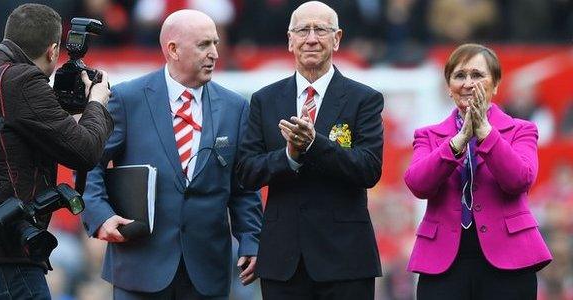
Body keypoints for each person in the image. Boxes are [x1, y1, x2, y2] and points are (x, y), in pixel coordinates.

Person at [80, 9, 263, 300]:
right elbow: (89, 161)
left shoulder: (235, 107)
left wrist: (251, 240)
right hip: (139, 266)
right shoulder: (128, 99)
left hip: (207, 273)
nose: (215, 53)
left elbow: (243, 186)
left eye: (215, 43)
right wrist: (101, 215)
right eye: (204, 45)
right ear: (173, 50)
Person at [0, 3, 113, 300]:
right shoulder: (22, 79)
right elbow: (85, 150)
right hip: (2, 254)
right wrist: (97, 103)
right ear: (52, 51)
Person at [236, 2, 384, 299]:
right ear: (290, 40)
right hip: (283, 261)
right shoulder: (265, 100)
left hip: (345, 260)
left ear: (337, 38)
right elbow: (246, 173)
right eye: (303, 30)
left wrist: (316, 145)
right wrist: (288, 156)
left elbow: (369, 169)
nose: (312, 38)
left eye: (321, 30)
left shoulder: (364, 99)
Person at [404, 43, 552, 299]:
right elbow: (418, 184)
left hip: (510, 258)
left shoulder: (521, 130)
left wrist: (485, 133)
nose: (468, 83)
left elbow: (519, 180)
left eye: (478, 75)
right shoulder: (428, 135)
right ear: (449, 88)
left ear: (495, 85)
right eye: (460, 76)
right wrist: (457, 143)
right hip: (442, 261)